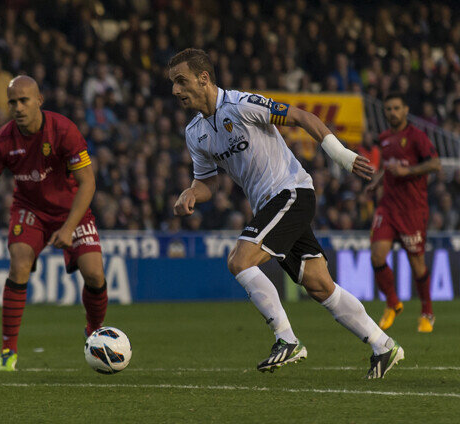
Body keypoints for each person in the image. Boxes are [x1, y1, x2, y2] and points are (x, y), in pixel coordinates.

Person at [168, 48, 403, 379]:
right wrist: (192, 192)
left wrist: (342, 156)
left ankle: (287, 339)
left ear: (203, 78)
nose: (175, 90)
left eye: (181, 81)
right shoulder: (196, 133)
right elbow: (206, 182)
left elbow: (302, 117)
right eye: (172, 84)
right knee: (321, 286)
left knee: (239, 260)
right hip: (269, 206)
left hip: (292, 192)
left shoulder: (243, 104)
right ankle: (384, 345)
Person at [0, 76, 108, 371]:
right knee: (19, 264)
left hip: (71, 211)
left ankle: (93, 330)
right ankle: (7, 352)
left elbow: (88, 183)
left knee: (94, 274)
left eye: (24, 100)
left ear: (39, 100)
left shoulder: (64, 130)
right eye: (12, 102)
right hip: (30, 210)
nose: (18, 107)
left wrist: (67, 228)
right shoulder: (2, 141)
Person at [364, 93, 441, 333]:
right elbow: (389, 167)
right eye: (388, 109)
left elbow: (435, 164)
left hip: (412, 210)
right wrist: (377, 181)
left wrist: (408, 172)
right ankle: (392, 303)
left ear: (406, 110)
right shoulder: (384, 138)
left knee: (417, 265)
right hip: (388, 206)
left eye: (396, 108)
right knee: (377, 256)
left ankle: (427, 312)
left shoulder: (417, 137)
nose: (392, 112)